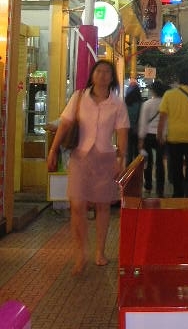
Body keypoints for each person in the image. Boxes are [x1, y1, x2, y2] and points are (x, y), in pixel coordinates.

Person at [46, 60, 129, 275]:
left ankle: (99, 252)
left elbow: (122, 133)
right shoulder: (79, 97)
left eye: (107, 72)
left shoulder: (117, 103)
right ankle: (80, 253)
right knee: (77, 204)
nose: (102, 75)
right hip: (80, 157)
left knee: (102, 206)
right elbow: (65, 124)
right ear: (92, 75)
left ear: (112, 78)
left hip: (105, 159)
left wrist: (121, 160)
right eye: (99, 71)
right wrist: (53, 150)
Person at [157, 68, 188, 198]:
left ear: (179, 80)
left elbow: (162, 117)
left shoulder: (169, 94)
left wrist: (159, 134)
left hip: (174, 137)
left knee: (176, 166)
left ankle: (177, 192)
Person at [138, 81, 168, 196]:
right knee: (160, 163)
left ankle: (148, 186)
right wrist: (165, 135)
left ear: (153, 91)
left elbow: (143, 122)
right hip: (161, 136)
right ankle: (160, 189)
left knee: (148, 162)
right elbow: (167, 122)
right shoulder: (166, 103)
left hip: (148, 136)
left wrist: (141, 139)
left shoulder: (147, 104)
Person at [124, 81, 144, 165]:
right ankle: (135, 171)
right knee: (136, 153)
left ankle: (128, 171)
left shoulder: (125, 104)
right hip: (137, 130)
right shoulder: (141, 104)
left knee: (128, 153)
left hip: (127, 130)